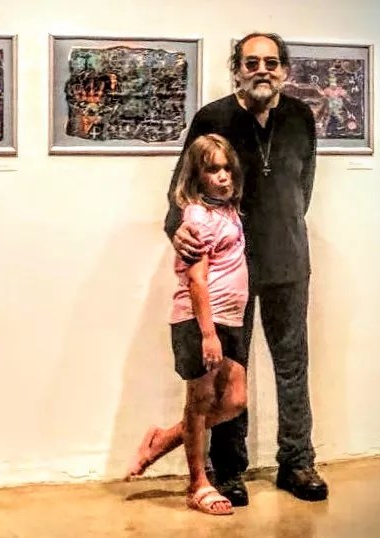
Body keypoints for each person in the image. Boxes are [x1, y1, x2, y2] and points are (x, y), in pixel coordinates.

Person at [125, 32, 328, 504]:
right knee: (228, 372)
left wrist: (284, 229)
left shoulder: (300, 117)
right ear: (236, 69)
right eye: (252, 62)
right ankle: (229, 470)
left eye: (271, 62)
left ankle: (297, 462)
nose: (262, 70)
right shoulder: (213, 117)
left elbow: (303, 189)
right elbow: (182, 188)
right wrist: (177, 229)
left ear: (285, 70)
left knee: (293, 366)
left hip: (288, 262)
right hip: (226, 268)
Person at [165, 133, 249, 515]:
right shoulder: (197, 217)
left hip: (229, 318)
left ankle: (166, 439)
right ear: (197, 176)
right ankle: (198, 483)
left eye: (227, 168)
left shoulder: (227, 210)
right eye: (213, 170)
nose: (223, 176)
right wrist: (208, 334)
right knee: (199, 402)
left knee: (235, 399)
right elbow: (197, 279)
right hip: (201, 320)